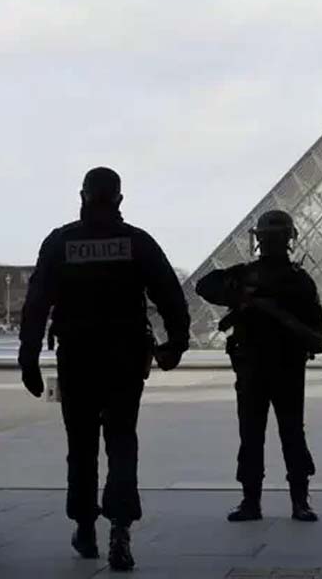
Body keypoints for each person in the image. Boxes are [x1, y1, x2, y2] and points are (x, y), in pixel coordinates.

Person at [17, 167, 190, 571]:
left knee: (81, 445)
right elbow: (170, 296)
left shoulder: (61, 242)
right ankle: (120, 527)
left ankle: (85, 527)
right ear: (119, 200)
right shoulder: (137, 242)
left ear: (82, 196)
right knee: (121, 439)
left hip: (77, 357)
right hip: (125, 358)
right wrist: (176, 344)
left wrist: (28, 358)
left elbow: (36, 305)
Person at [195, 210, 322, 523]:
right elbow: (205, 286)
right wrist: (244, 298)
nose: (271, 243)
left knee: (258, 435)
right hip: (274, 366)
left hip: (264, 365)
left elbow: (317, 331)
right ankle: (294, 501)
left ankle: (255, 501)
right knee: (284, 434)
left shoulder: (255, 275)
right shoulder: (287, 279)